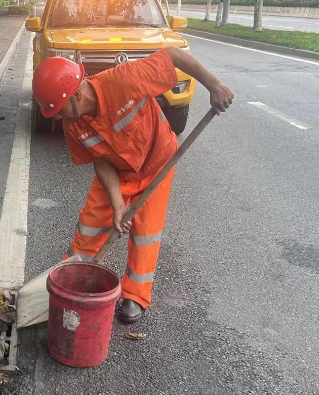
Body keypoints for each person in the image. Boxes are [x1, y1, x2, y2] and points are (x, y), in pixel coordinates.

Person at [32, 47, 234, 323]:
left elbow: (173, 55)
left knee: (146, 231)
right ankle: (70, 285)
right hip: (116, 170)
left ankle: (135, 295)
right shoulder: (73, 124)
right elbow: (99, 160)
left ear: (76, 94)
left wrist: (215, 85)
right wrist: (117, 204)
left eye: (58, 109)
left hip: (157, 164)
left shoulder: (124, 80)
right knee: (90, 227)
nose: (56, 117)